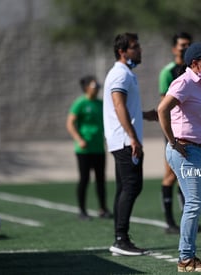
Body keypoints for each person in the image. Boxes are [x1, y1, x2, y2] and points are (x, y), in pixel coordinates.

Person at [158, 42, 201, 272]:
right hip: (186, 151)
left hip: (199, 151)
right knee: (193, 204)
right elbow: (162, 109)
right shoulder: (184, 82)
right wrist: (173, 142)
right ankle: (186, 259)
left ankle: (188, 257)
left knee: (195, 204)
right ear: (195, 63)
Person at [103, 33, 157, 256]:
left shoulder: (126, 73)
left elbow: (126, 108)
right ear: (122, 51)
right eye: (135, 47)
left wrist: (145, 115)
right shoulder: (120, 74)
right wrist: (133, 138)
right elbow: (118, 106)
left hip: (123, 139)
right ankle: (121, 239)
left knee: (124, 188)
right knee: (133, 186)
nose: (139, 50)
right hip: (125, 141)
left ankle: (120, 238)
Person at [158, 32, 192, 234]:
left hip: (190, 131)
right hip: (173, 131)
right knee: (171, 175)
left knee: (187, 174)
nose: (185, 48)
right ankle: (169, 222)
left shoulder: (192, 71)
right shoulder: (168, 72)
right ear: (174, 49)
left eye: (188, 44)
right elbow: (165, 105)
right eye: (182, 45)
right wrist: (171, 136)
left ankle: (187, 219)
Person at [66, 75, 111, 220]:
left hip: (99, 148)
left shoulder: (100, 103)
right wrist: (79, 139)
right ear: (86, 87)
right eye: (94, 85)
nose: (97, 88)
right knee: (84, 179)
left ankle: (103, 208)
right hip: (84, 149)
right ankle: (82, 210)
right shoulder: (80, 103)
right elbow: (70, 123)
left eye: (98, 86)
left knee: (100, 180)